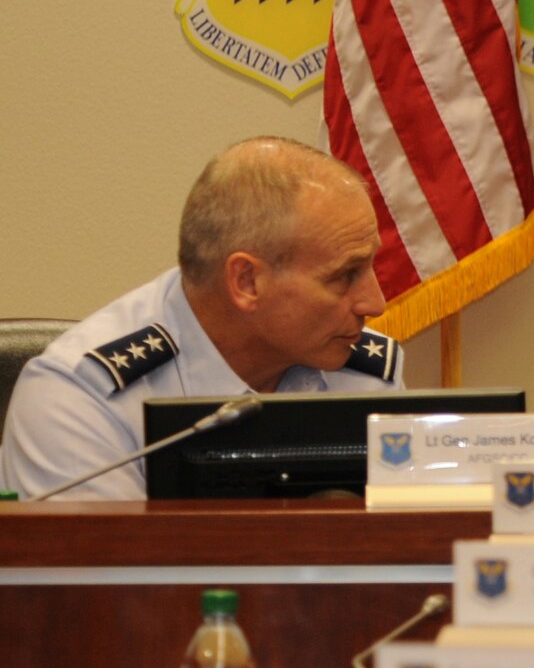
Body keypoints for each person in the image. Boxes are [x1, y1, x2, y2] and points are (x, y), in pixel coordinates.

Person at [0, 137, 404, 499]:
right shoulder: (80, 397)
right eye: (345, 275)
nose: (375, 303)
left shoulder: (366, 372)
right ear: (247, 281)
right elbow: (111, 577)